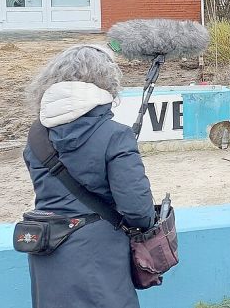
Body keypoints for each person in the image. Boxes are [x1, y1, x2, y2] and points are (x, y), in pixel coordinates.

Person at [23, 45, 155, 308]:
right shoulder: (114, 135)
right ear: (106, 83)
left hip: (45, 247)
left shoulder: (36, 136)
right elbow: (138, 210)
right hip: (98, 254)